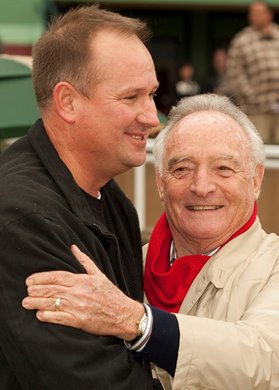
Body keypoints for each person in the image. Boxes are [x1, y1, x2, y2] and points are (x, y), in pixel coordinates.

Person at [23, 94, 279, 389]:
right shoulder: (122, 264)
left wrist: (137, 322)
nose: (202, 186)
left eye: (224, 168)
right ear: (160, 183)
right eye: (182, 169)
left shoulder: (272, 266)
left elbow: (264, 359)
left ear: (256, 179)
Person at [0, 4, 162, 389]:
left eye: (152, 94)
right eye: (131, 97)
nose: (152, 116)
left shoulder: (108, 195)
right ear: (68, 102)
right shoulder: (25, 219)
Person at [226, 0, 279, 144]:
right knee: (260, 149)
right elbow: (234, 73)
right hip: (257, 110)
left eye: (257, 13)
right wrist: (251, 95)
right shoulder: (242, 40)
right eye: (251, 13)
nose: (252, 16)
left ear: (269, 15)